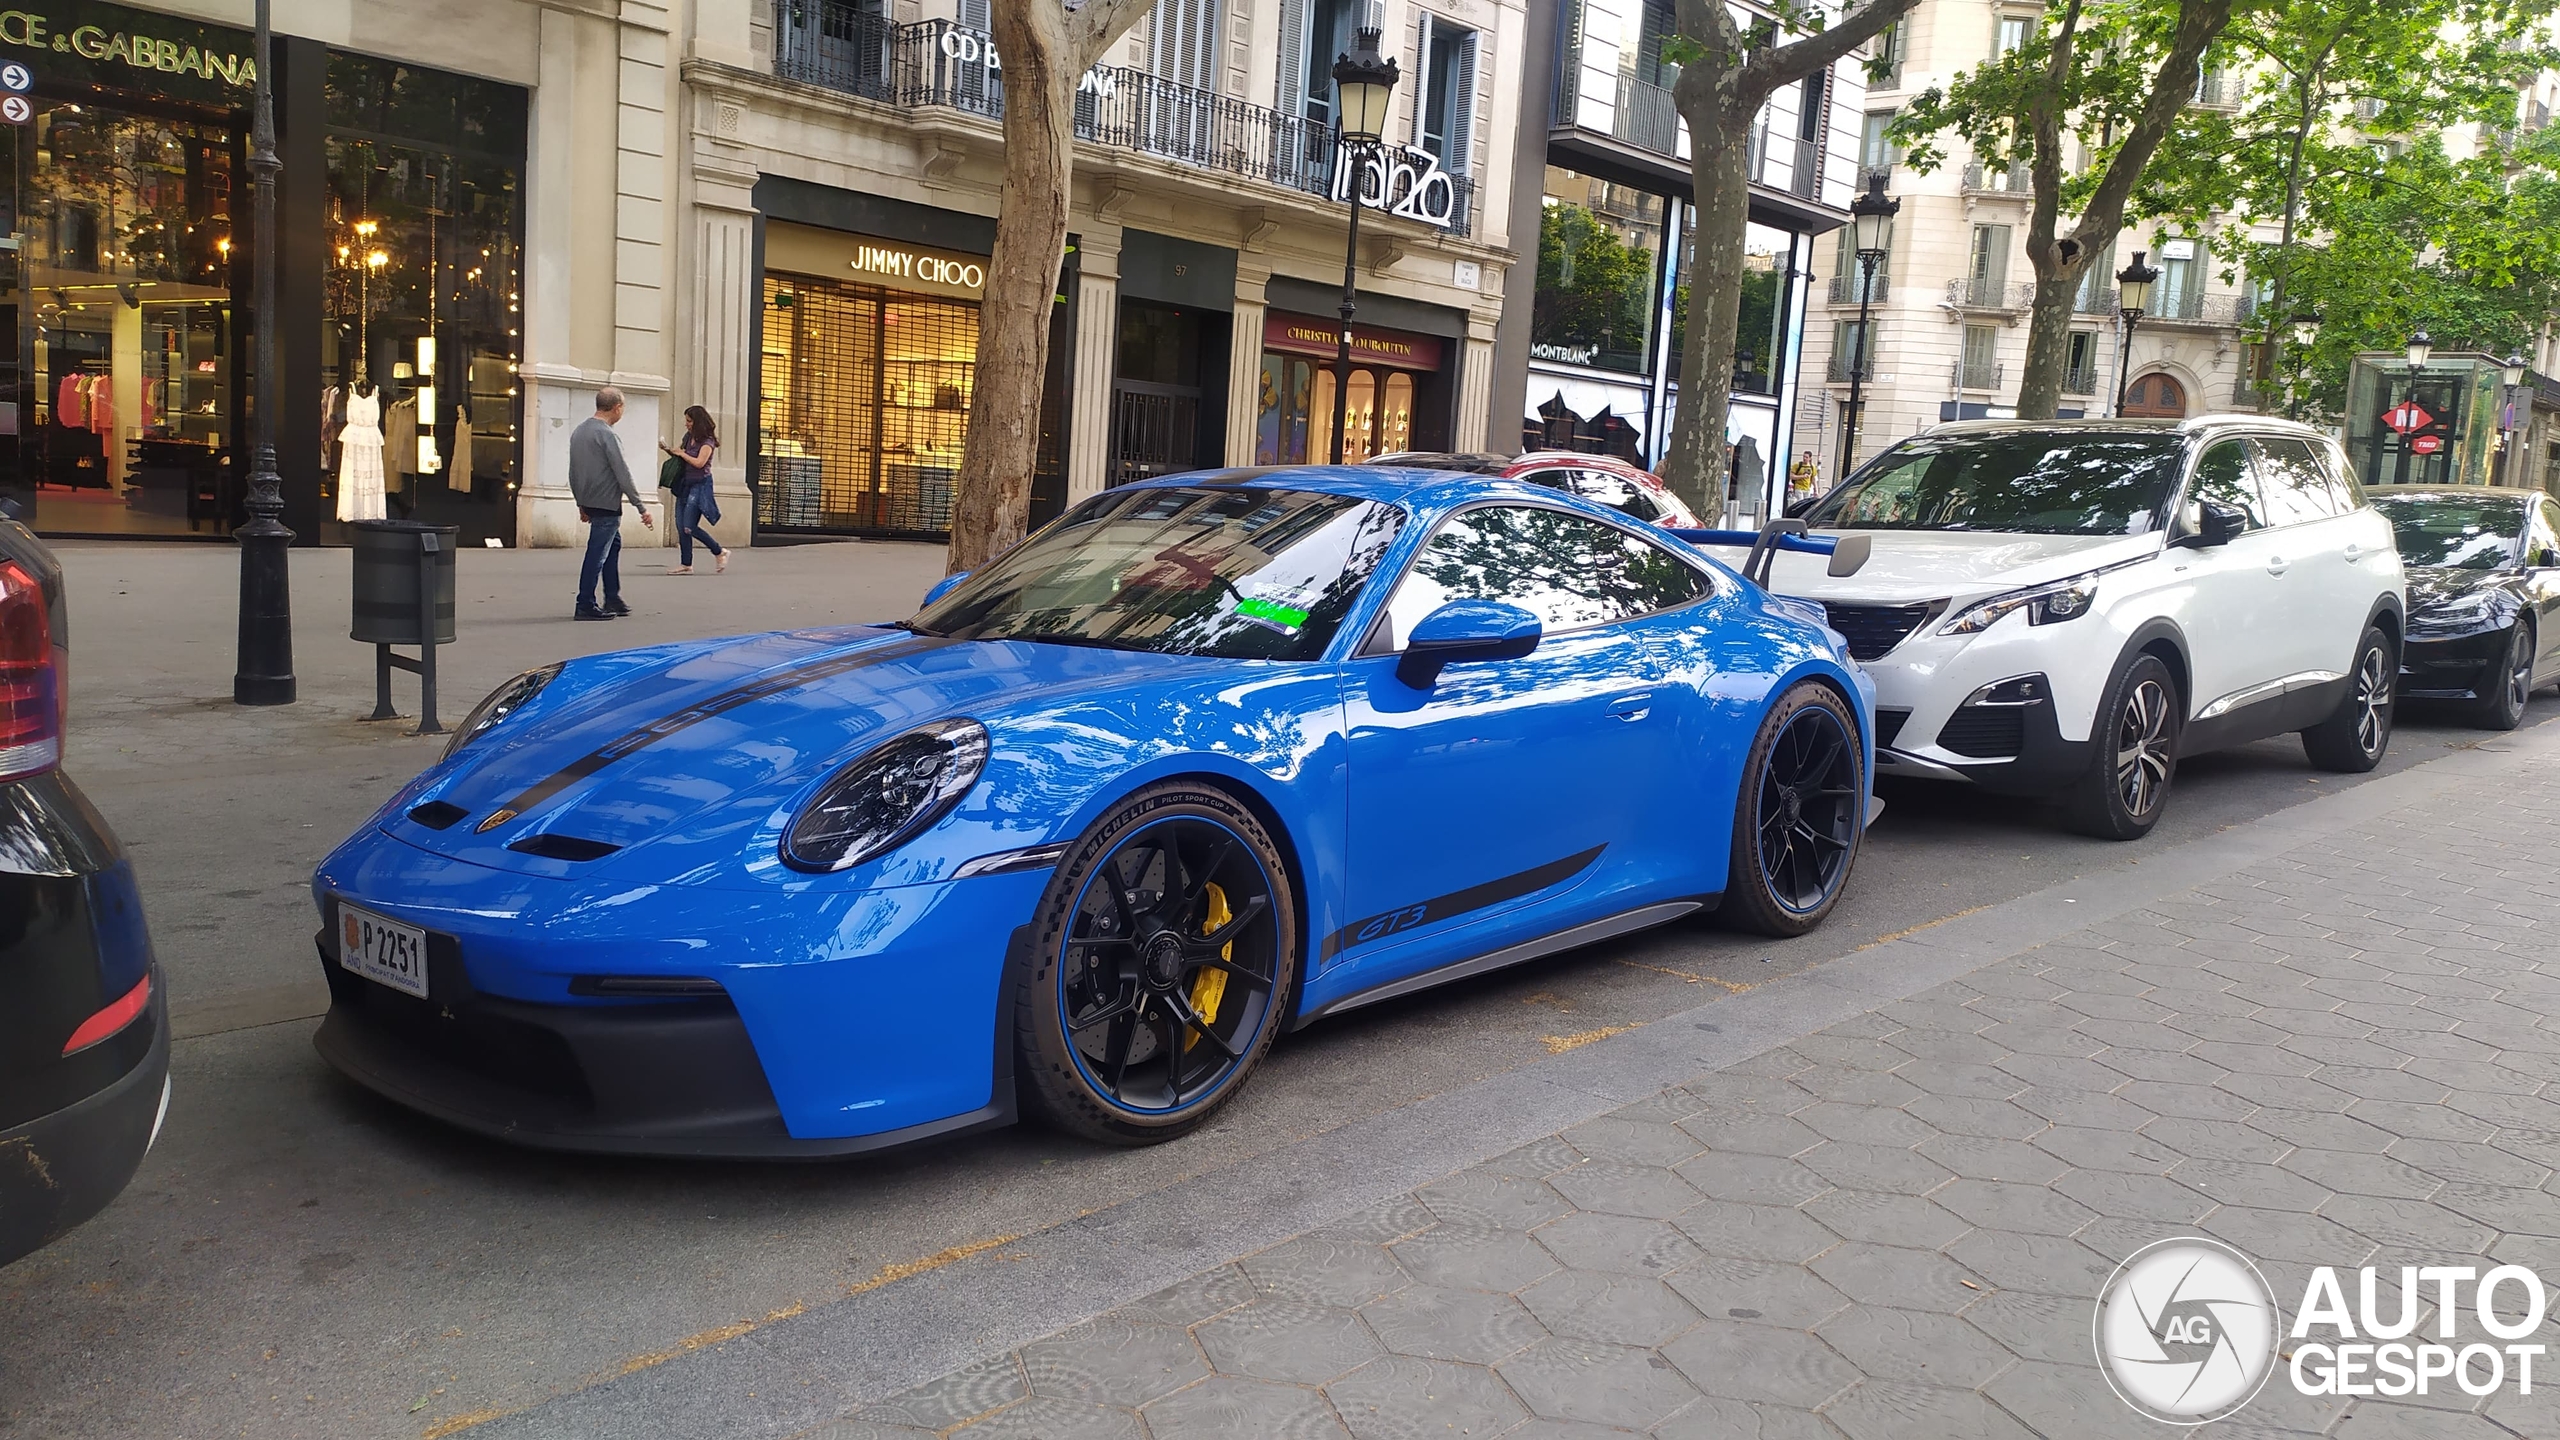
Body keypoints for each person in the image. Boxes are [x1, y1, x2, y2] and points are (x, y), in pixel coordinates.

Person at [570, 386, 653, 621]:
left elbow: (574, 471)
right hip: (606, 502)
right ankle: (585, 603)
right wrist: (641, 507)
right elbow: (622, 473)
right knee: (597, 553)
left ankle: (613, 597)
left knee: (612, 545)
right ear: (617, 407)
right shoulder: (607, 435)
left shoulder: (579, 431)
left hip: (590, 500)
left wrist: (581, 502)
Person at [657, 406, 727, 575]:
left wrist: (682, 454)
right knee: (681, 526)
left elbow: (699, 463)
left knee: (689, 526)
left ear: (698, 422)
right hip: (685, 484)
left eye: (689, 421)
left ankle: (719, 551)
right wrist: (668, 449)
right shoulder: (688, 437)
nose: (686, 424)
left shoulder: (708, 442)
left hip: (700, 485)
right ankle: (686, 564)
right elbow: (681, 457)